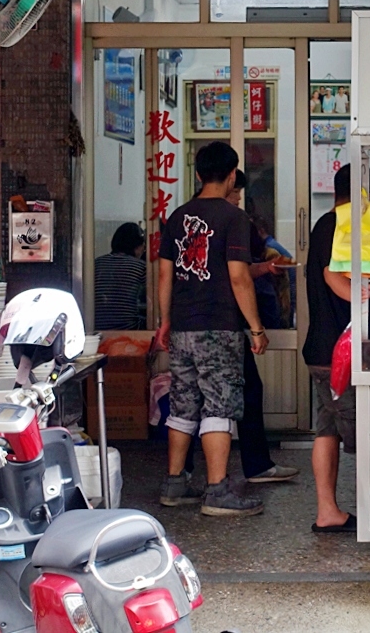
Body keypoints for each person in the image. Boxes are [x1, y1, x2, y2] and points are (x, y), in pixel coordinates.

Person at [156, 141, 268, 517]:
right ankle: (217, 490)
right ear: (233, 175)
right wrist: (255, 327)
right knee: (219, 404)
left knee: (184, 402)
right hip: (218, 326)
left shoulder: (177, 216)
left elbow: (164, 274)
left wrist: (165, 320)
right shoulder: (233, 217)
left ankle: (175, 483)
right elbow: (239, 277)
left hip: (183, 327)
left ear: (199, 174)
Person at [303, 163, 370, 534]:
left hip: (321, 349)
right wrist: (363, 302)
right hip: (340, 354)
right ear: (366, 195)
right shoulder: (345, 225)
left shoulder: (323, 224)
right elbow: (334, 275)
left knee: (326, 429)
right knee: (364, 432)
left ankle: (327, 511)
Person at [93, 222, 147, 331]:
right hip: (129, 329)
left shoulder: (96, 263)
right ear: (138, 246)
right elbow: (152, 297)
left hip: (96, 327)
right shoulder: (141, 266)